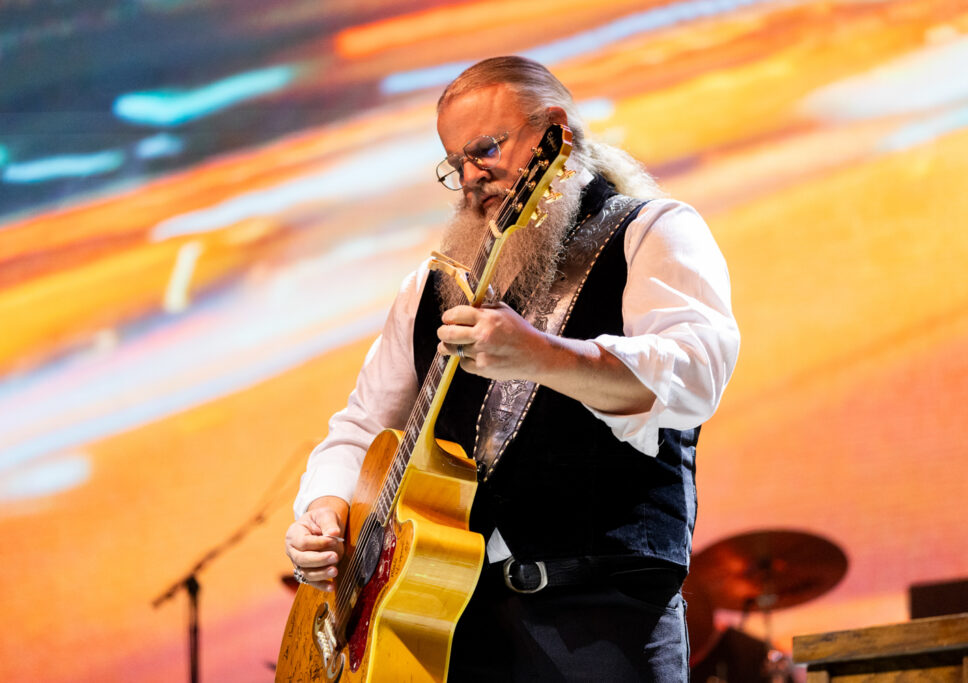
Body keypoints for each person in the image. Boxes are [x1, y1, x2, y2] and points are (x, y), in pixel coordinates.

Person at [284, 56, 739, 682]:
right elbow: (362, 426)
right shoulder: (430, 287)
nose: (472, 177)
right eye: (456, 164)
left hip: (604, 617)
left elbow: (695, 375)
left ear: (556, 131)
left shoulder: (653, 231)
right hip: (451, 624)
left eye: (486, 150)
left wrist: (543, 355)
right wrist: (326, 509)